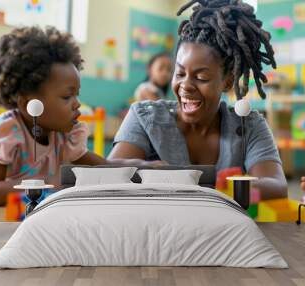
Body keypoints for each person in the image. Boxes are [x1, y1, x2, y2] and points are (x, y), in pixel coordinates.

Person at [109, 0, 288, 200]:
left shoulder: (249, 126)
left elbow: (277, 186)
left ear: (227, 83)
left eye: (201, 77)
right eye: (179, 73)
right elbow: (112, 177)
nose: (185, 85)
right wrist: (224, 188)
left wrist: (206, 183)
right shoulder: (144, 117)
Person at [0, 27, 161, 206]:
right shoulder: (8, 132)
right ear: (27, 103)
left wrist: (145, 167)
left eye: (77, 95)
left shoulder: (64, 135)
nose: (77, 104)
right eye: (67, 97)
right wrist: (49, 182)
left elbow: (104, 165)